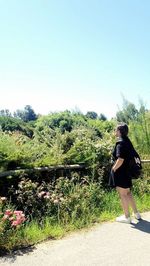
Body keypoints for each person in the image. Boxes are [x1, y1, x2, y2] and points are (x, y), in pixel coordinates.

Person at [110, 123, 141, 223]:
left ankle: (127, 217)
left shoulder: (120, 143)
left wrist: (113, 169)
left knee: (123, 194)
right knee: (128, 193)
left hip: (121, 172)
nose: (115, 131)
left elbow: (120, 159)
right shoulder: (128, 141)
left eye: (116, 130)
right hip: (127, 171)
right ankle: (136, 214)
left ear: (119, 131)